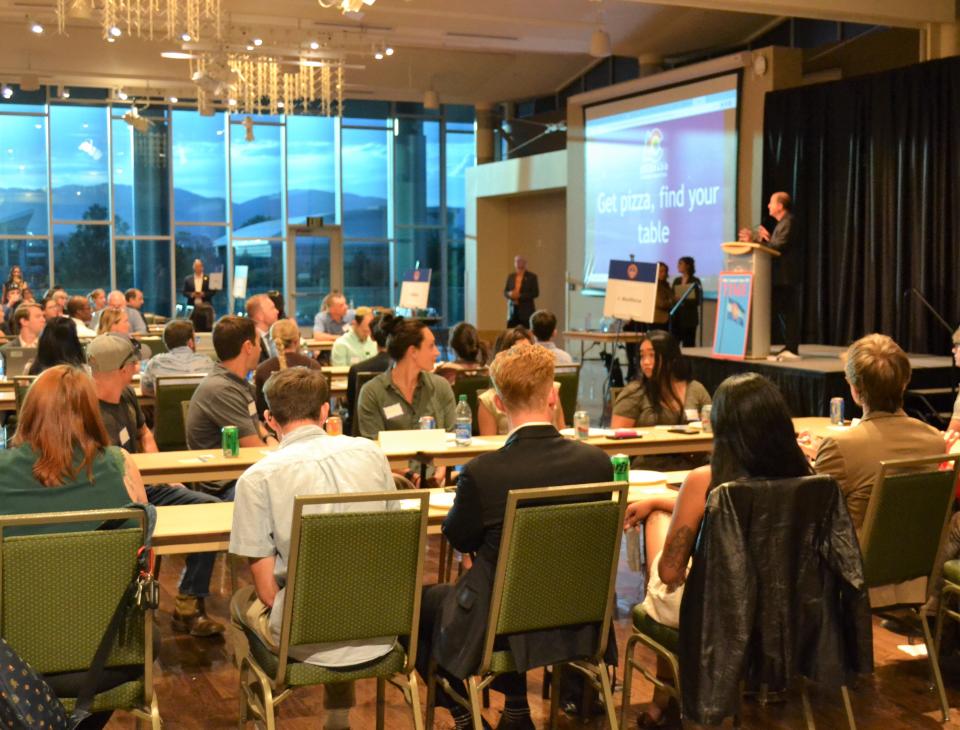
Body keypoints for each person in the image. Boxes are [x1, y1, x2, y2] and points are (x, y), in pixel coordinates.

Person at [417, 343, 614, 730]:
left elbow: (458, 537)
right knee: (512, 580)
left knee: (425, 603)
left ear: (498, 404)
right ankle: (517, 708)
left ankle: (465, 716)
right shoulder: (597, 462)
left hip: (502, 620)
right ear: (554, 394)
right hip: (579, 612)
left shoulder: (483, 472)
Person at [621, 372, 812, 726]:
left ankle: (664, 699)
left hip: (718, 620)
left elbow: (670, 574)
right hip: (787, 612)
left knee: (663, 553)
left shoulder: (703, 481)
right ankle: (663, 701)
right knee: (664, 514)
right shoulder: (806, 478)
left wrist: (670, 509)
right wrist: (668, 500)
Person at [230, 367, 396, 730]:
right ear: (325, 411)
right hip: (383, 627)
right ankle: (338, 718)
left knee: (239, 602)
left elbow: (267, 593)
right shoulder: (372, 455)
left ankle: (258, 720)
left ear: (269, 420)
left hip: (303, 639)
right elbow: (392, 544)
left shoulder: (257, 479)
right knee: (349, 580)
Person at [0, 365, 148, 729]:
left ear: (29, 411)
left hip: (17, 661)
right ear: (92, 411)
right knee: (147, 634)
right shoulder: (123, 465)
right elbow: (145, 565)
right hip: (113, 654)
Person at [87, 334, 225, 637]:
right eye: (134, 362)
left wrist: (166, 476)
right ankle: (125, 616)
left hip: (144, 486)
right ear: (123, 368)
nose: (138, 367)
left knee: (209, 511)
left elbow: (145, 434)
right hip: (110, 501)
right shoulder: (83, 410)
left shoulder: (126, 395)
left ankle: (188, 602)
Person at [799, 334, 945, 532]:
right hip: (919, 559)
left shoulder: (841, 447)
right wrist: (825, 453)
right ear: (904, 382)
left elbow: (810, 514)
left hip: (856, 560)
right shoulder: (934, 439)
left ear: (855, 390)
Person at [185, 316, 277, 499]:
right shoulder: (222, 389)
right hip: (226, 484)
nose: (261, 349)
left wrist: (267, 435)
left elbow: (250, 422)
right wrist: (274, 446)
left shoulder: (235, 382)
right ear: (248, 347)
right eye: (258, 343)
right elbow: (254, 450)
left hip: (242, 474)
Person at [355, 318, 456, 440]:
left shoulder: (441, 387)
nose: (437, 352)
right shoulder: (372, 392)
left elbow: (452, 439)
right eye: (431, 346)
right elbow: (374, 448)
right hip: (391, 459)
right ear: (413, 351)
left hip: (437, 459)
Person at [738, 191, 801, 358]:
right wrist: (763, 240)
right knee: (786, 311)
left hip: (785, 276)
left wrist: (758, 241)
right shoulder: (782, 223)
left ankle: (790, 348)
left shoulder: (789, 222)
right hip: (782, 276)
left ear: (780, 206)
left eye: (771, 202)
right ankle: (789, 346)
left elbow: (779, 247)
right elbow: (774, 246)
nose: (768, 205)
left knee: (786, 312)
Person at [611, 329, 711, 428]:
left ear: (671, 359)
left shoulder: (696, 389)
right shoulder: (634, 392)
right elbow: (617, 437)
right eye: (642, 356)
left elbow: (712, 429)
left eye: (652, 355)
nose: (645, 362)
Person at [477, 327, 564, 435]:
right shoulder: (488, 400)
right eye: (519, 354)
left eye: (529, 352)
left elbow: (562, 432)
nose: (525, 358)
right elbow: (487, 444)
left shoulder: (550, 389)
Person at [253, 318, 322, 418]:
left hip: (274, 429)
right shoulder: (313, 366)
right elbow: (321, 404)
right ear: (297, 340)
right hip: (310, 425)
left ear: (272, 341)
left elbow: (261, 412)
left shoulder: (262, 369)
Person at [346, 311, 393, 435]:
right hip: (399, 432)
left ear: (371, 336)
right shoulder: (405, 369)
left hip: (362, 433)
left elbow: (352, 411)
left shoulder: (357, 370)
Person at [139, 319, 215, 396]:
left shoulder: (155, 363)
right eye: (195, 339)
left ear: (166, 344)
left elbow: (145, 390)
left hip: (168, 407)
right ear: (190, 342)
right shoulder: (206, 362)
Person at [670, 256, 701, 347]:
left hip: (689, 318)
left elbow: (698, 300)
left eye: (680, 263)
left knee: (689, 344)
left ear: (688, 266)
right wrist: (674, 299)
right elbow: (672, 295)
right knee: (674, 344)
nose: (678, 266)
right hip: (677, 318)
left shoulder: (695, 281)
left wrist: (683, 301)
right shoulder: (677, 280)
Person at [503, 254, 538, 328]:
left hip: (526, 311)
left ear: (525, 263)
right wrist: (510, 294)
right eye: (516, 261)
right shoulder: (511, 276)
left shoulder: (532, 277)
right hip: (512, 310)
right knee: (511, 331)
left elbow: (535, 293)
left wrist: (520, 295)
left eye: (519, 261)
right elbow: (505, 292)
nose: (517, 263)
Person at [245, 293, 279, 364]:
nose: (277, 311)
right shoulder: (251, 342)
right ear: (260, 315)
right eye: (272, 308)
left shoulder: (276, 336)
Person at [183, 259, 215, 331]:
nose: (198, 268)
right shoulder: (188, 279)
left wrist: (204, 294)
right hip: (192, 306)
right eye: (196, 266)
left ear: (202, 267)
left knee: (206, 327)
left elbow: (213, 292)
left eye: (199, 266)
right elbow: (184, 292)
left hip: (206, 307)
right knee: (192, 327)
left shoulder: (208, 278)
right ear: (193, 267)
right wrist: (192, 294)